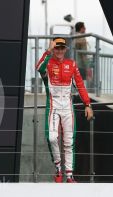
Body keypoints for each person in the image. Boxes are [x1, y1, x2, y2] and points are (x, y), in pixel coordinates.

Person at [36, 37, 94, 183]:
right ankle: (58, 168)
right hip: (53, 107)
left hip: (68, 108)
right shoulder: (48, 63)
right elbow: (38, 68)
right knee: (52, 138)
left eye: (62, 48)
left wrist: (87, 104)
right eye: (57, 47)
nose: (60, 50)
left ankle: (69, 175)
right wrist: (48, 51)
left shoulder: (72, 64)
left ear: (65, 49)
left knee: (69, 142)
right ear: (53, 48)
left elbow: (80, 85)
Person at [74, 22, 92, 90]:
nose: (85, 29)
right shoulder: (82, 39)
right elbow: (84, 54)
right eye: (84, 28)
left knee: (74, 82)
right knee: (81, 83)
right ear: (81, 28)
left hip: (73, 63)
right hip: (80, 65)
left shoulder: (73, 37)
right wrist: (87, 67)